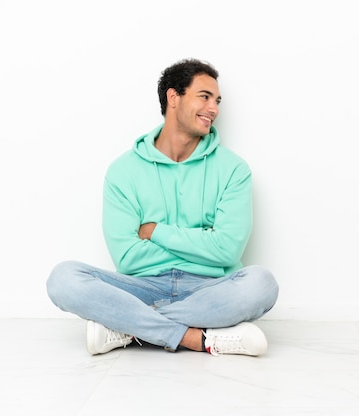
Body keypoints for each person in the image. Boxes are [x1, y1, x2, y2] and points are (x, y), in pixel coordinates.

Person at [46, 58, 279, 357]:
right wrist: (204, 240)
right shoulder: (123, 171)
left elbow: (228, 250)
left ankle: (128, 327)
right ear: (173, 97)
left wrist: (155, 231)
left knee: (261, 284)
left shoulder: (233, 169)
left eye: (217, 101)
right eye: (204, 97)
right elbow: (129, 258)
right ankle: (199, 339)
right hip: (141, 286)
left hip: (210, 289)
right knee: (63, 278)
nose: (214, 109)